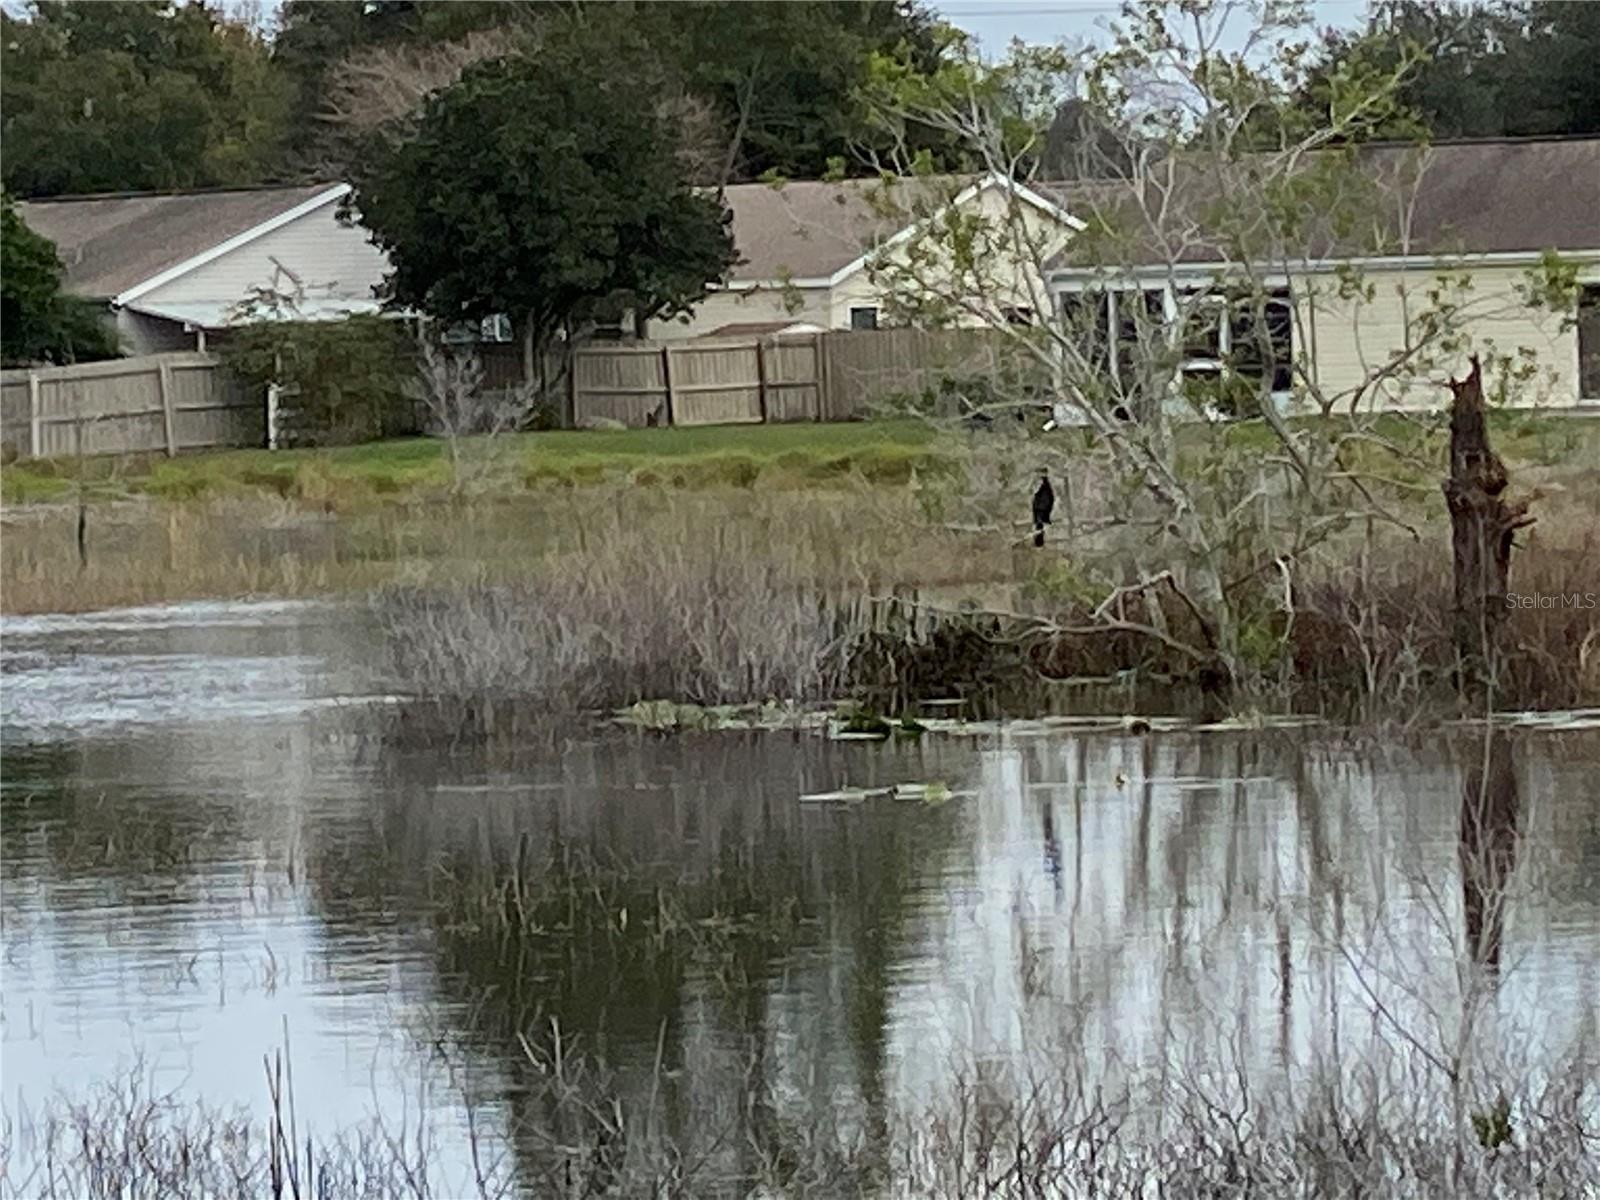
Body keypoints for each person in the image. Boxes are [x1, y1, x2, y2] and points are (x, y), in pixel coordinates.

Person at [1032, 469, 1055, 547]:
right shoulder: (1046, 486)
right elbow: (1050, 499)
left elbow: (1048, 499)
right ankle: (1039, 541)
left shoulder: (1045, 487)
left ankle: (1039, 541)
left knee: (1039, 525)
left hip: (1041, 509)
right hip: (1041, 509)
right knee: (1039, 525)